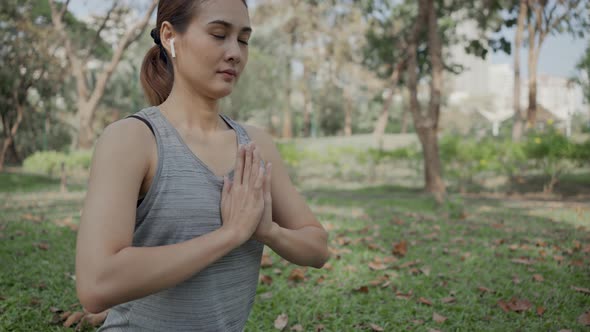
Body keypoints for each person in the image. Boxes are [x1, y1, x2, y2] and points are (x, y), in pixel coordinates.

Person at [75, 0, 329, 331]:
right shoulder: (133, 140)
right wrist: (230, 235)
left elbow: (318, 248)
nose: (235, 52)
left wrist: (269, 231)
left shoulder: (255, 146)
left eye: (243, 39)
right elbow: (96, 285)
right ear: (170, 36)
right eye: (219, 34)